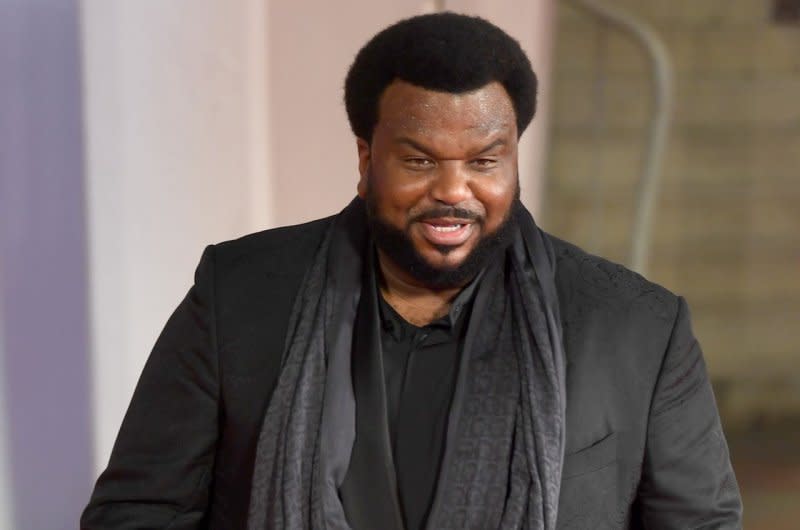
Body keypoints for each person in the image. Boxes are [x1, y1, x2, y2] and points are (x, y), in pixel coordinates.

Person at [81, 12, 742, 530]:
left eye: (485, 160)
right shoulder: (241, 294)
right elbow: (139, 513)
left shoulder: (637, 326)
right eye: (421, 160)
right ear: (367, 159)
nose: (454, 191)